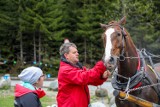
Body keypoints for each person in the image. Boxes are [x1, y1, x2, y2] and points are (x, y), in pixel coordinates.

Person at [57, 42, 111, 107]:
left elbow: (92, 79)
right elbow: (84, 77)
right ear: (66, 56)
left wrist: (102, 76)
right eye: (74, 52)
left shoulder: (78, 68)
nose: (77, 54)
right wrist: (102, 64)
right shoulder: (65, 70)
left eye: (77, 52)